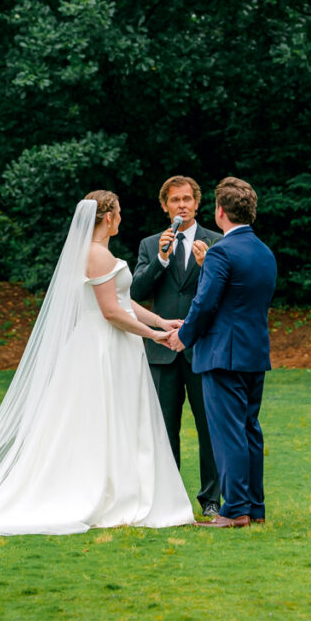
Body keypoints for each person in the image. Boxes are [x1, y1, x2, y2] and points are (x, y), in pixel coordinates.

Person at [0, 191, 194, 535]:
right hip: (102, 345)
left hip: (112, 343)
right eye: (118, 212)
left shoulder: (98, 253)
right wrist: (153, 335)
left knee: (117, 416)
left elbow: (123, 300)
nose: (121, 218)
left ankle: (122, 487)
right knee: (99, 416)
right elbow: (111, 311)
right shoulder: (97, 256)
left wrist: (161, 321)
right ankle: (104, 491)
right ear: (108, 217)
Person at [167, 177, 277, 528]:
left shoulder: (221, 252)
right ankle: (254, 507)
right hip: (254, 352)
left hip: (222, 354)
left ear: (220, 212)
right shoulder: (264, 251)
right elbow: (240, 299)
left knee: (228, 433)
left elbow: (205, 303)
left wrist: (183, 336)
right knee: (249, 430)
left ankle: (235, 510)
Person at [131, 175, 221, 516]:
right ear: (165, 206)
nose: (181, 205)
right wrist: (161, 259)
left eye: (187, 199)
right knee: (164, 429)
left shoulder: (216, 242)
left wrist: (206, 263)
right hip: (162, 349)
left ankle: (211, 498)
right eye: (174, 200)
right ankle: (168, 498)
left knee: (209, 427)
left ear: (197, 203)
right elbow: (135, 293)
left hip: (203, 348)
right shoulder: (151, 244)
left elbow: (224, 292)